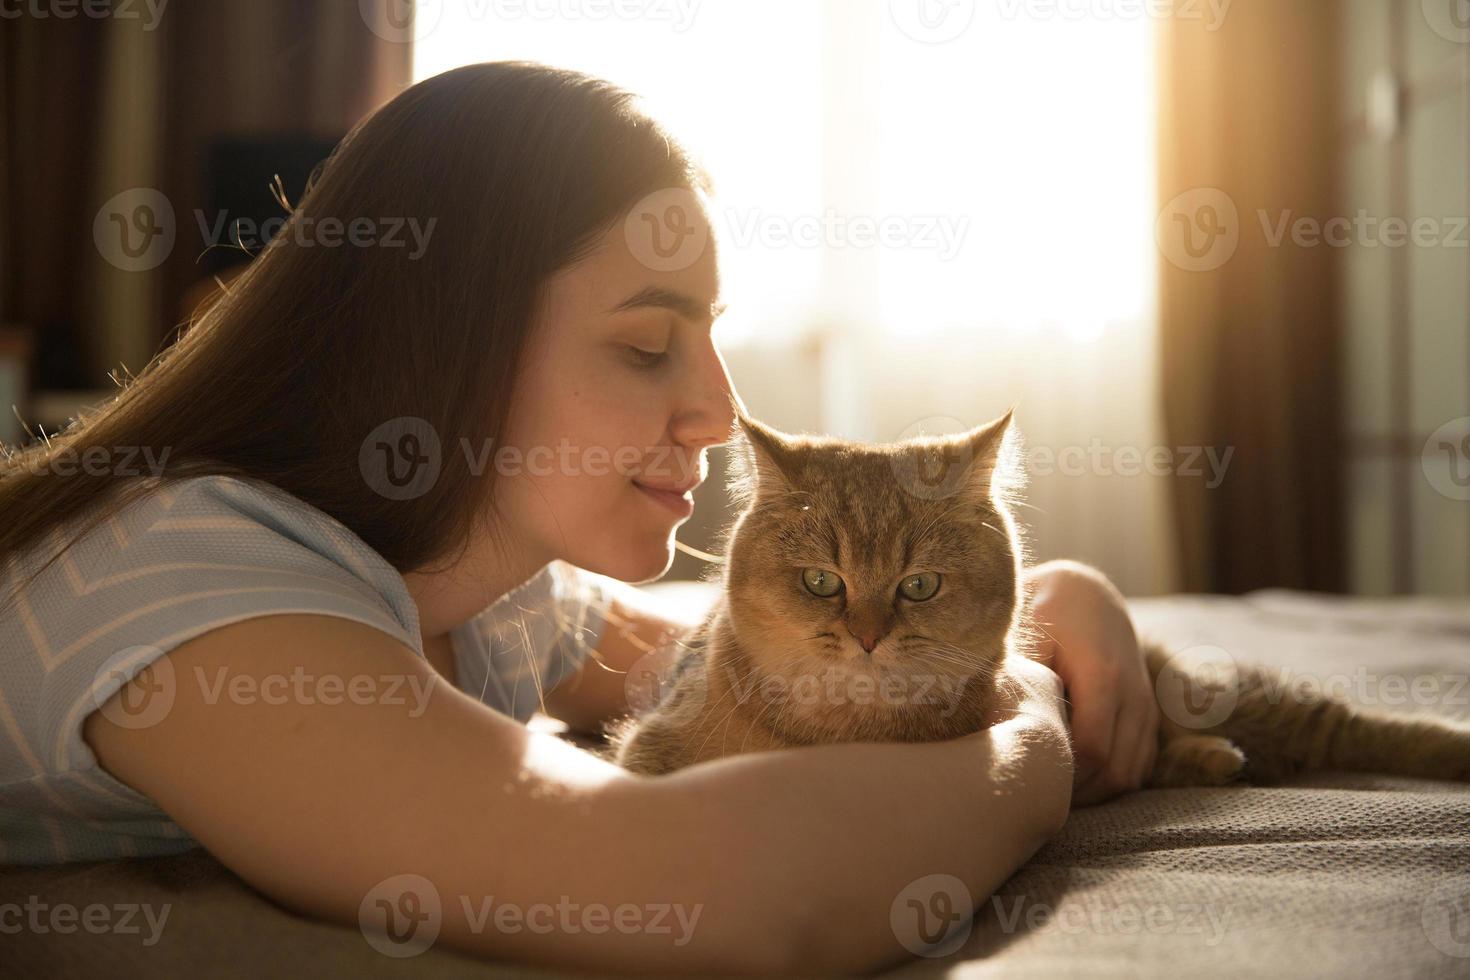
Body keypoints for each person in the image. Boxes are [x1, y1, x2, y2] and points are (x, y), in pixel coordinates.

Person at [0, 62, 1153, 974]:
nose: (717, 410)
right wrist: (1033, 726)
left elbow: (742, 653)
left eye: (709, 337)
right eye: (650, 346)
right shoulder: (188, 579)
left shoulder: (484, 592)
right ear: (442, 344)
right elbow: (703, 887)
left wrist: (1054, 602)